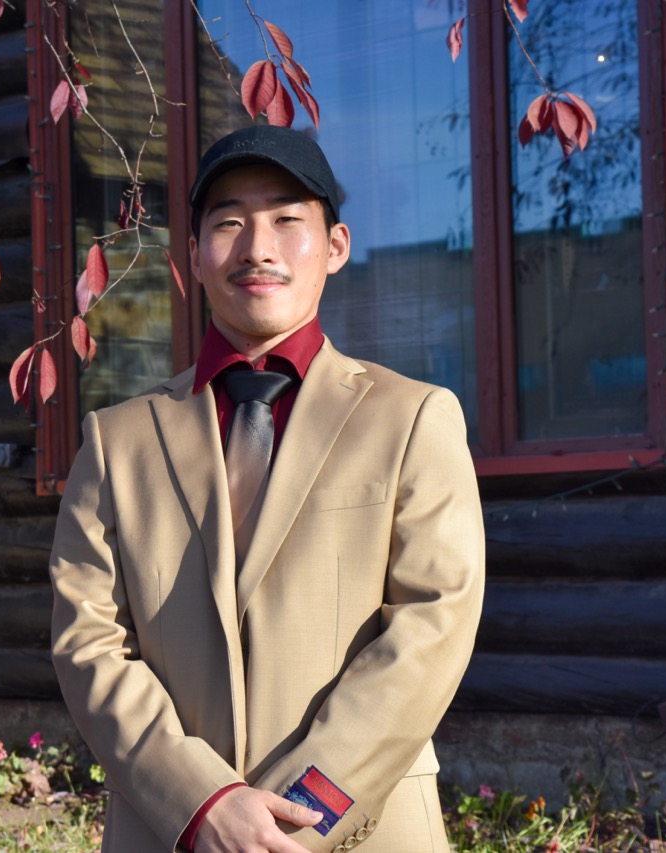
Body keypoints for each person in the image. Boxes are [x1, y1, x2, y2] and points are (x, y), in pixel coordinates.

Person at [48, 125, 485, 853]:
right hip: (170, 830)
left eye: (287, 219)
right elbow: (87, 640)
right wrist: (202, 801)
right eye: (228, 223)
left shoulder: (411, 419)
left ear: (336, 246)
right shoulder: (115, 441)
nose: (258, 246)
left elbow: (432, 626)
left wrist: (296, 813)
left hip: (360, 829)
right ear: (193, 256)